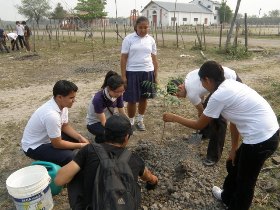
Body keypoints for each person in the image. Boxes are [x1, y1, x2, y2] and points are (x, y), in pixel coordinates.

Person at [163, 60, 279, 210]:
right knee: (234, 166)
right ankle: (226, 197)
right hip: (267, 132)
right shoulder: (230, 84)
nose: (201, 85)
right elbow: (234, 121)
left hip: (262, 140)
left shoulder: (218, 96)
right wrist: (233, 149)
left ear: (207, 80)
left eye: (201, 81)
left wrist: (174, 118)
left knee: (246, 183)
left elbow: (199, 125)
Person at [55, 114, 158, 209]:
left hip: (92, 206)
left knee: (76, 167)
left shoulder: (89, 150)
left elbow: (59, 180)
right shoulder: (135, 159)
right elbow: (148, 176)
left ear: (105, 132)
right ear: (126, 137)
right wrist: (154, 180)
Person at [167, 67, 242, 166]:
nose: (178, 97)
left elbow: (204, 115)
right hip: (219, 79)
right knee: (208, 108)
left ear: (180, 87)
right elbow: (202, 96)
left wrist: (201, 112)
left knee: (216, 120)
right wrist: (202, 109)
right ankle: (204, 134)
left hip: (231, 80)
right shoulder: (188, 78)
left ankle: (213, 156)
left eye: (177, 94)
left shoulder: (191, 93)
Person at [21, 80, 89, 166]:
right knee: (69, 157)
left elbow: (65, 126)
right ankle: (62, 167)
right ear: (59, 97)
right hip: (34, 146)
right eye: (71, 98)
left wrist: (80, 138)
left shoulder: (62, 106)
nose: (74, 100)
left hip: (48, 139)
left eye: (74, 97)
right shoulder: (51, 115)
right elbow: (57, 144)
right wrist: (81, 145)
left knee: (75, 140)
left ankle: (59, 159)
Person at [121, 16, 159, 131]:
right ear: (135, 27)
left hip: (148, 72)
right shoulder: (128, 39)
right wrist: (123, 76)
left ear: (149, 27)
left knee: (144, 98)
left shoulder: (151, 40)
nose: (143, 30)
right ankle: (131, 122)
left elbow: (154, 59)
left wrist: (156, 75)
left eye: (145, 27)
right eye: (140, 27)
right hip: (132, 72)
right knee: (132, 99)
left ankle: (140, 119)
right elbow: (123, 58)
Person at [86, 71, 126, 143]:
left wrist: (128, 124)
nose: (120, 94)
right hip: (95, 123)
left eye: (122, 91)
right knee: (113, 135)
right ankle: (96, 140)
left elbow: (122, 112)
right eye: (117, 92)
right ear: (109, 88)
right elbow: (103, 122)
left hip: (108, 119)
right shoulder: (98, 99)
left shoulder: (118, 94)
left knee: (121, 131)